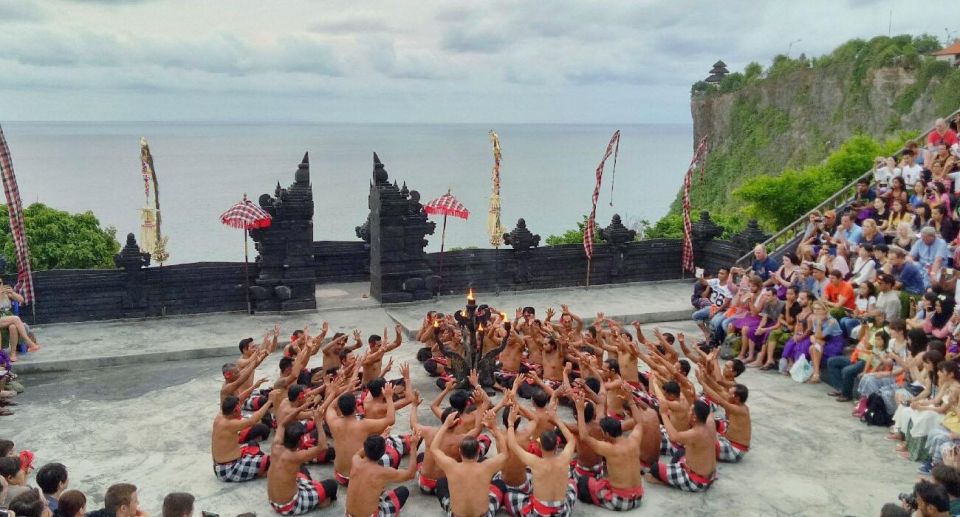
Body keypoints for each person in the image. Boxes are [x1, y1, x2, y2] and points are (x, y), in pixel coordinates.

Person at [572, 392, 645, 511]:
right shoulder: (634, 440)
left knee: (582, 483)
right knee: (601, 481)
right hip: (638, 497)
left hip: (621, 501)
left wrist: (580, 410)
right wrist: (630, 400)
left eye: (602, 432)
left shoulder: (609, 449)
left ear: (606, 434)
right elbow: (639, 422)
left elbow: (584, 437)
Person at [430, 412, 508, 517]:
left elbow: (433, 449)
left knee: (441, 483)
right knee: (500, 484)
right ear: (478, 451)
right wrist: (495, 427)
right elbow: (504, 453)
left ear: (460, 451)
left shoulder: (451, 466)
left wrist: (445, 425)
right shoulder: (486, 467)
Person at [505, 405, 579, 516]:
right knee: (572, 484)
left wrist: (510, 422)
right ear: (557, 444)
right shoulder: (564, 457)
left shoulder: (535, 462)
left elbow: (512, 444)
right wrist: (557, 420)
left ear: (539, 446)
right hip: (562, 512)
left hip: (539, 513)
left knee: (508, 497)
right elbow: (571, 439)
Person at [267, 415, 338, 515]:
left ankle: (312, 493)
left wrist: (301, 407)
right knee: (332, 485)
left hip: (273, 502)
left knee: (301, 469)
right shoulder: (296, 457)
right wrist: (318, 423)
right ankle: (320, 502)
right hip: (289, 506)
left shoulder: (276, 446)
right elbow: (323, 446)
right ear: (300, 441)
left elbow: (282, 424)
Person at [344, 431, 423, 517]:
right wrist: (413, 446)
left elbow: (359, 452)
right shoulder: (382, 472)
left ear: (365, 447)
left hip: (348, 515)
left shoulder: (355, 460)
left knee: (380, 490)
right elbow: (411, 474)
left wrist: (376, 441)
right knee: (402, 492)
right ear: (383, 453)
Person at [647, 399, 717, 492]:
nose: (687, 412)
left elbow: (673, 437)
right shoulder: (710, 424)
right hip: (709, 476)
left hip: (697, 481)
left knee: (654, 468)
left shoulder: (695, 433)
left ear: (694, 417)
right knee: (680, 452)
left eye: (690, 411)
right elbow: (710, 414)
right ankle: (671, 474)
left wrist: (663, 414)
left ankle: (670, 481)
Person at [211, 395, 274, 482]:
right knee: (271, 461)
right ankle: (262, 472)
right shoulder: (229, 424)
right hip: (227, 469)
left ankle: (258, 469)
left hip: (223, 464)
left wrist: (254, 386)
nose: (241, 410)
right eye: (239, 408)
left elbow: (238, 399)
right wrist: (269, 402)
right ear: (235, 411)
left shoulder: (220, 415)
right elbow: (252, 421)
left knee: (253, 444)